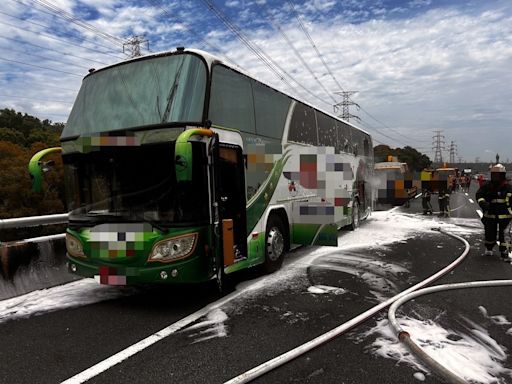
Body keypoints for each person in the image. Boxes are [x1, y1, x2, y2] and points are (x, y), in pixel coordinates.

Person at [476, 163, 512, 260]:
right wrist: (483, 204)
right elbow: (479, 195)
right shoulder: (487, 186)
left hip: (504, 215)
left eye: (498, 175)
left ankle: (504, 250)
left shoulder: (508, 187)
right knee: (489, 232)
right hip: (490, 214)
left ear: (502, 175)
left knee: (504, 234)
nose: (496, 177)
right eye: (494, 175)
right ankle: (489, 248)